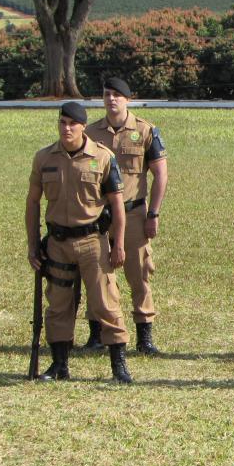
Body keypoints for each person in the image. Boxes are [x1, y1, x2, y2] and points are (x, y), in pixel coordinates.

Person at [24, 102, 133, 383]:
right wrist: (33, 245)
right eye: (62, 123)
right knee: (58, 305)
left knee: (105, 302)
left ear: (83, 126)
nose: (67, 128)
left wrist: (118, 243)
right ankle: (60, 364)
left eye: (73, 123)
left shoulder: (103, 157)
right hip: (58, 244)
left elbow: (118, 206)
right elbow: (33, 202)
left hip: (92, 243)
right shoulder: (44, 158)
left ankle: (118, 366)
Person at [83, 77, 169, 354]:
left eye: (117, 95)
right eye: (107, 94)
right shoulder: (90, 132)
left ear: (128, 99)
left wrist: (153, 213)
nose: (111, 100)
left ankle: (144, 335)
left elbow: (161, 175)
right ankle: (96, 333)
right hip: (99, 217)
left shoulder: (145, 131)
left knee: (139, 273)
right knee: (98, 274)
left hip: (133, 213)